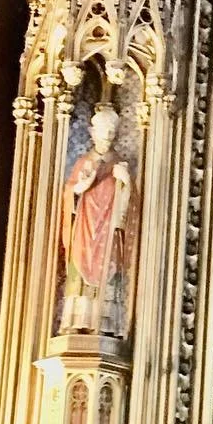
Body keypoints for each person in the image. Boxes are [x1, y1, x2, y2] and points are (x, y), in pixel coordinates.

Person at [59, 105, 134, 334]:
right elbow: (70, 193)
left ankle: (103, 324)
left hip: (108, 233)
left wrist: (127, 184)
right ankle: (76, 322)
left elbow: (130, 209)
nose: (107, 136)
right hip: (85, 228)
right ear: (92, 133)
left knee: (108, 270)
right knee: (80, 267)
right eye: (103, 131)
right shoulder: (84, 163)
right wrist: (82, 185)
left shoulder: (120, 165)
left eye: (111, 131)